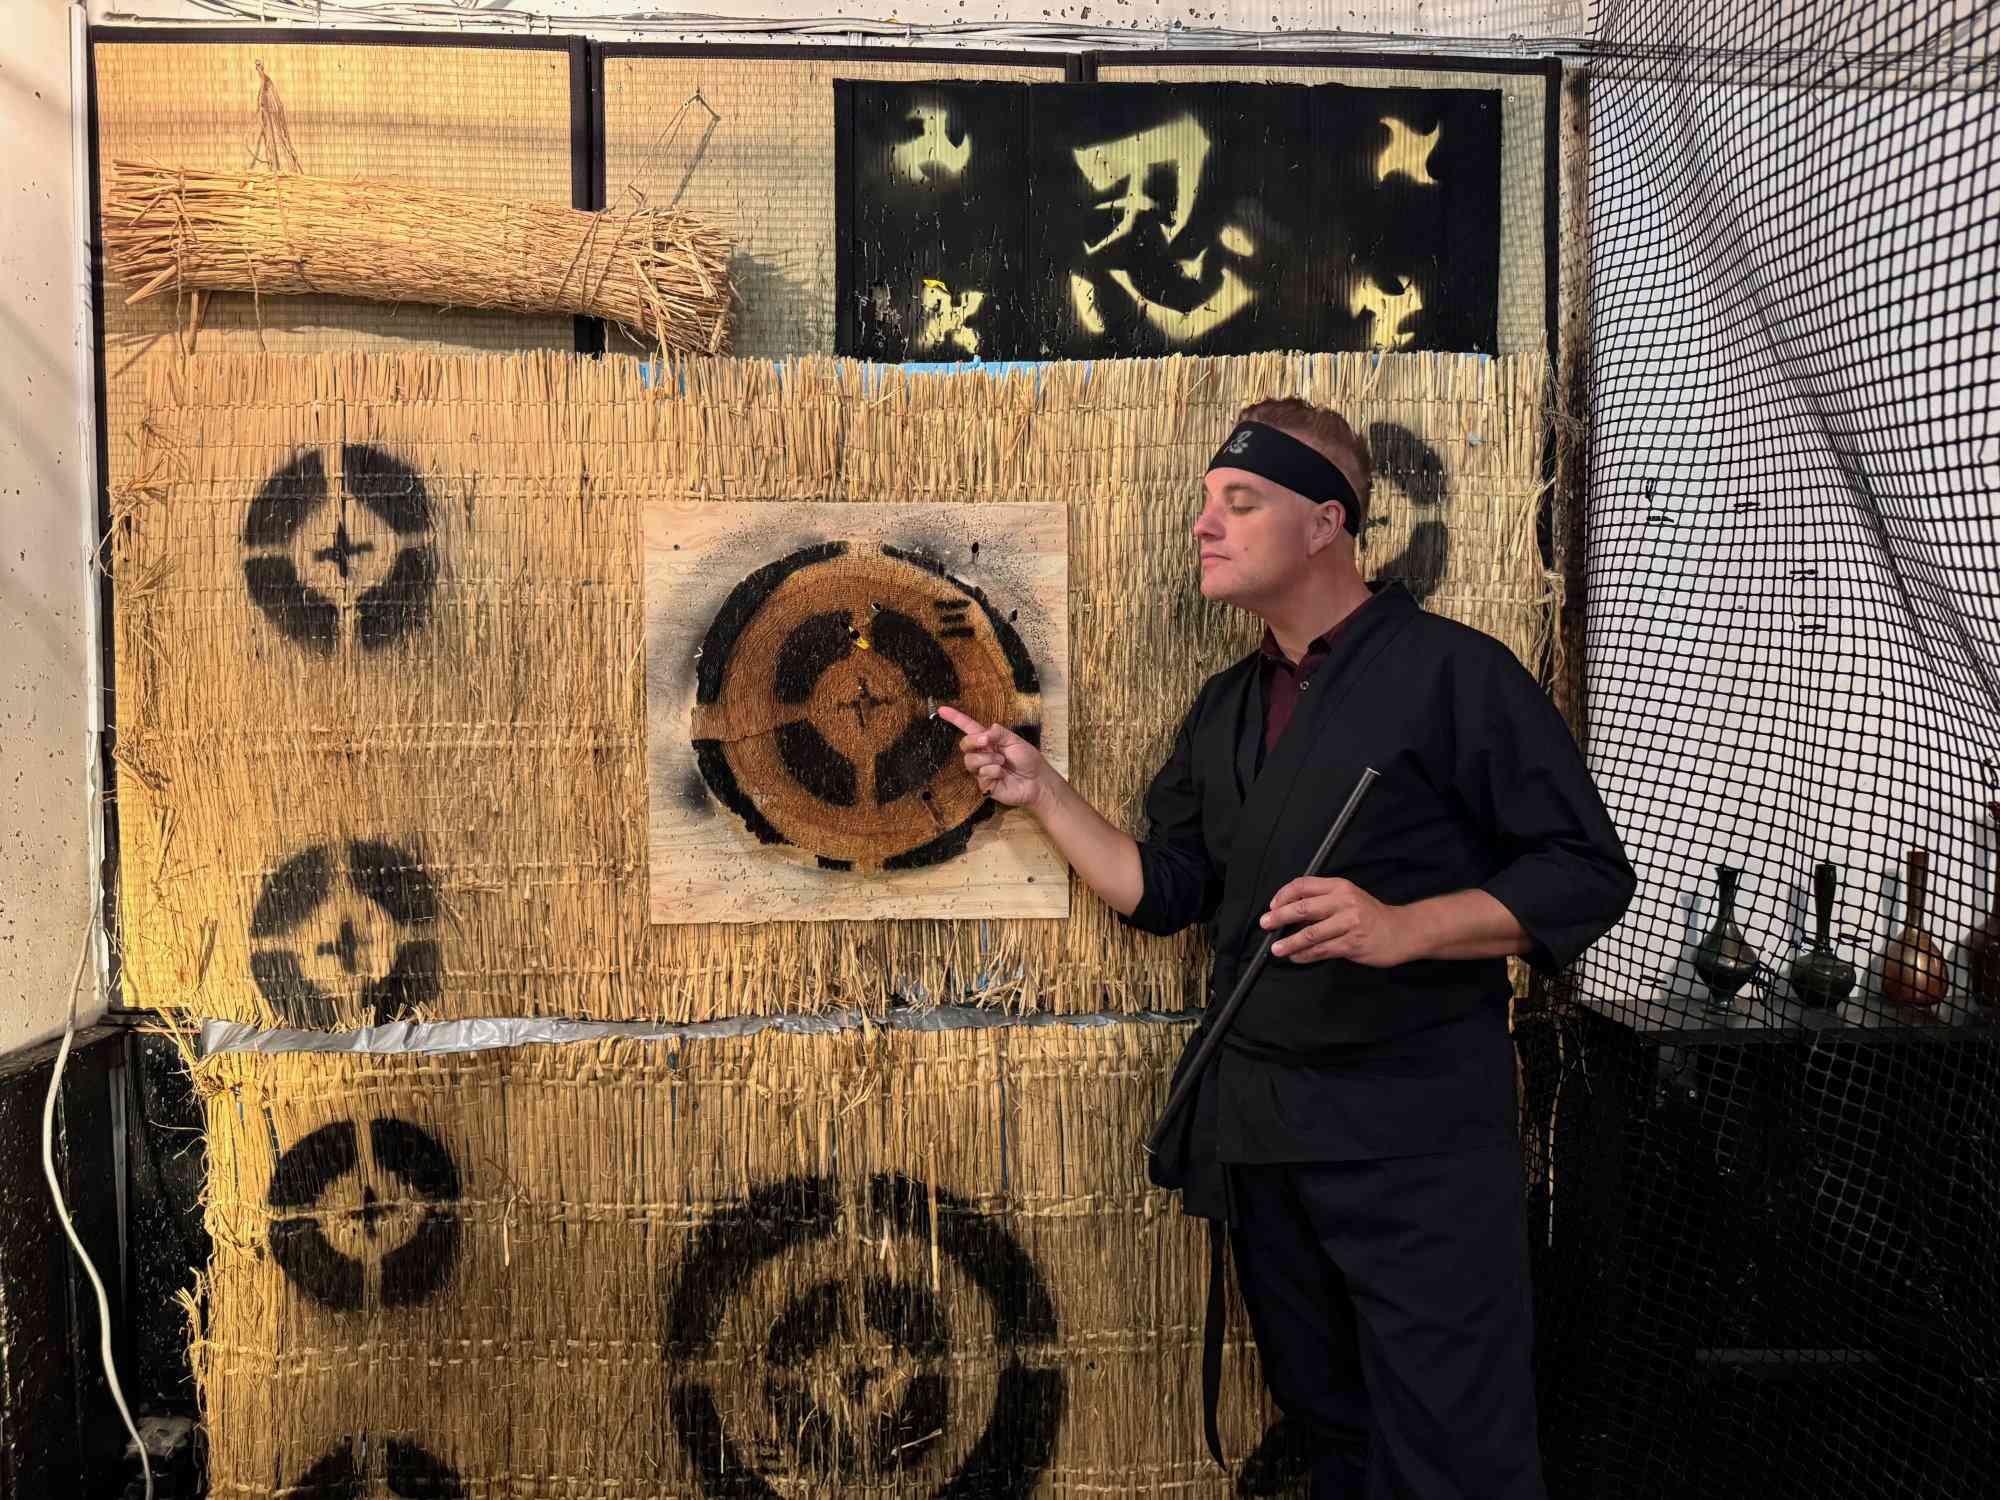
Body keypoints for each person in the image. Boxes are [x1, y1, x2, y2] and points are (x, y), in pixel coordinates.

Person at [937, 397, 1635, 1500]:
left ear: (1325, 523)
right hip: (1265, 1136)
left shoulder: (1455, 674)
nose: (1205, 525)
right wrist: (1042, 794)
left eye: (1241, 501)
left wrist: (1402, 926)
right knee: (1330, 1429)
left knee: (1455, 1450)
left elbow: (1584, 873)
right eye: (1206, 502)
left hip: (1415, 1141)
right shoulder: (1227, 708)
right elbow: (1167, 891)